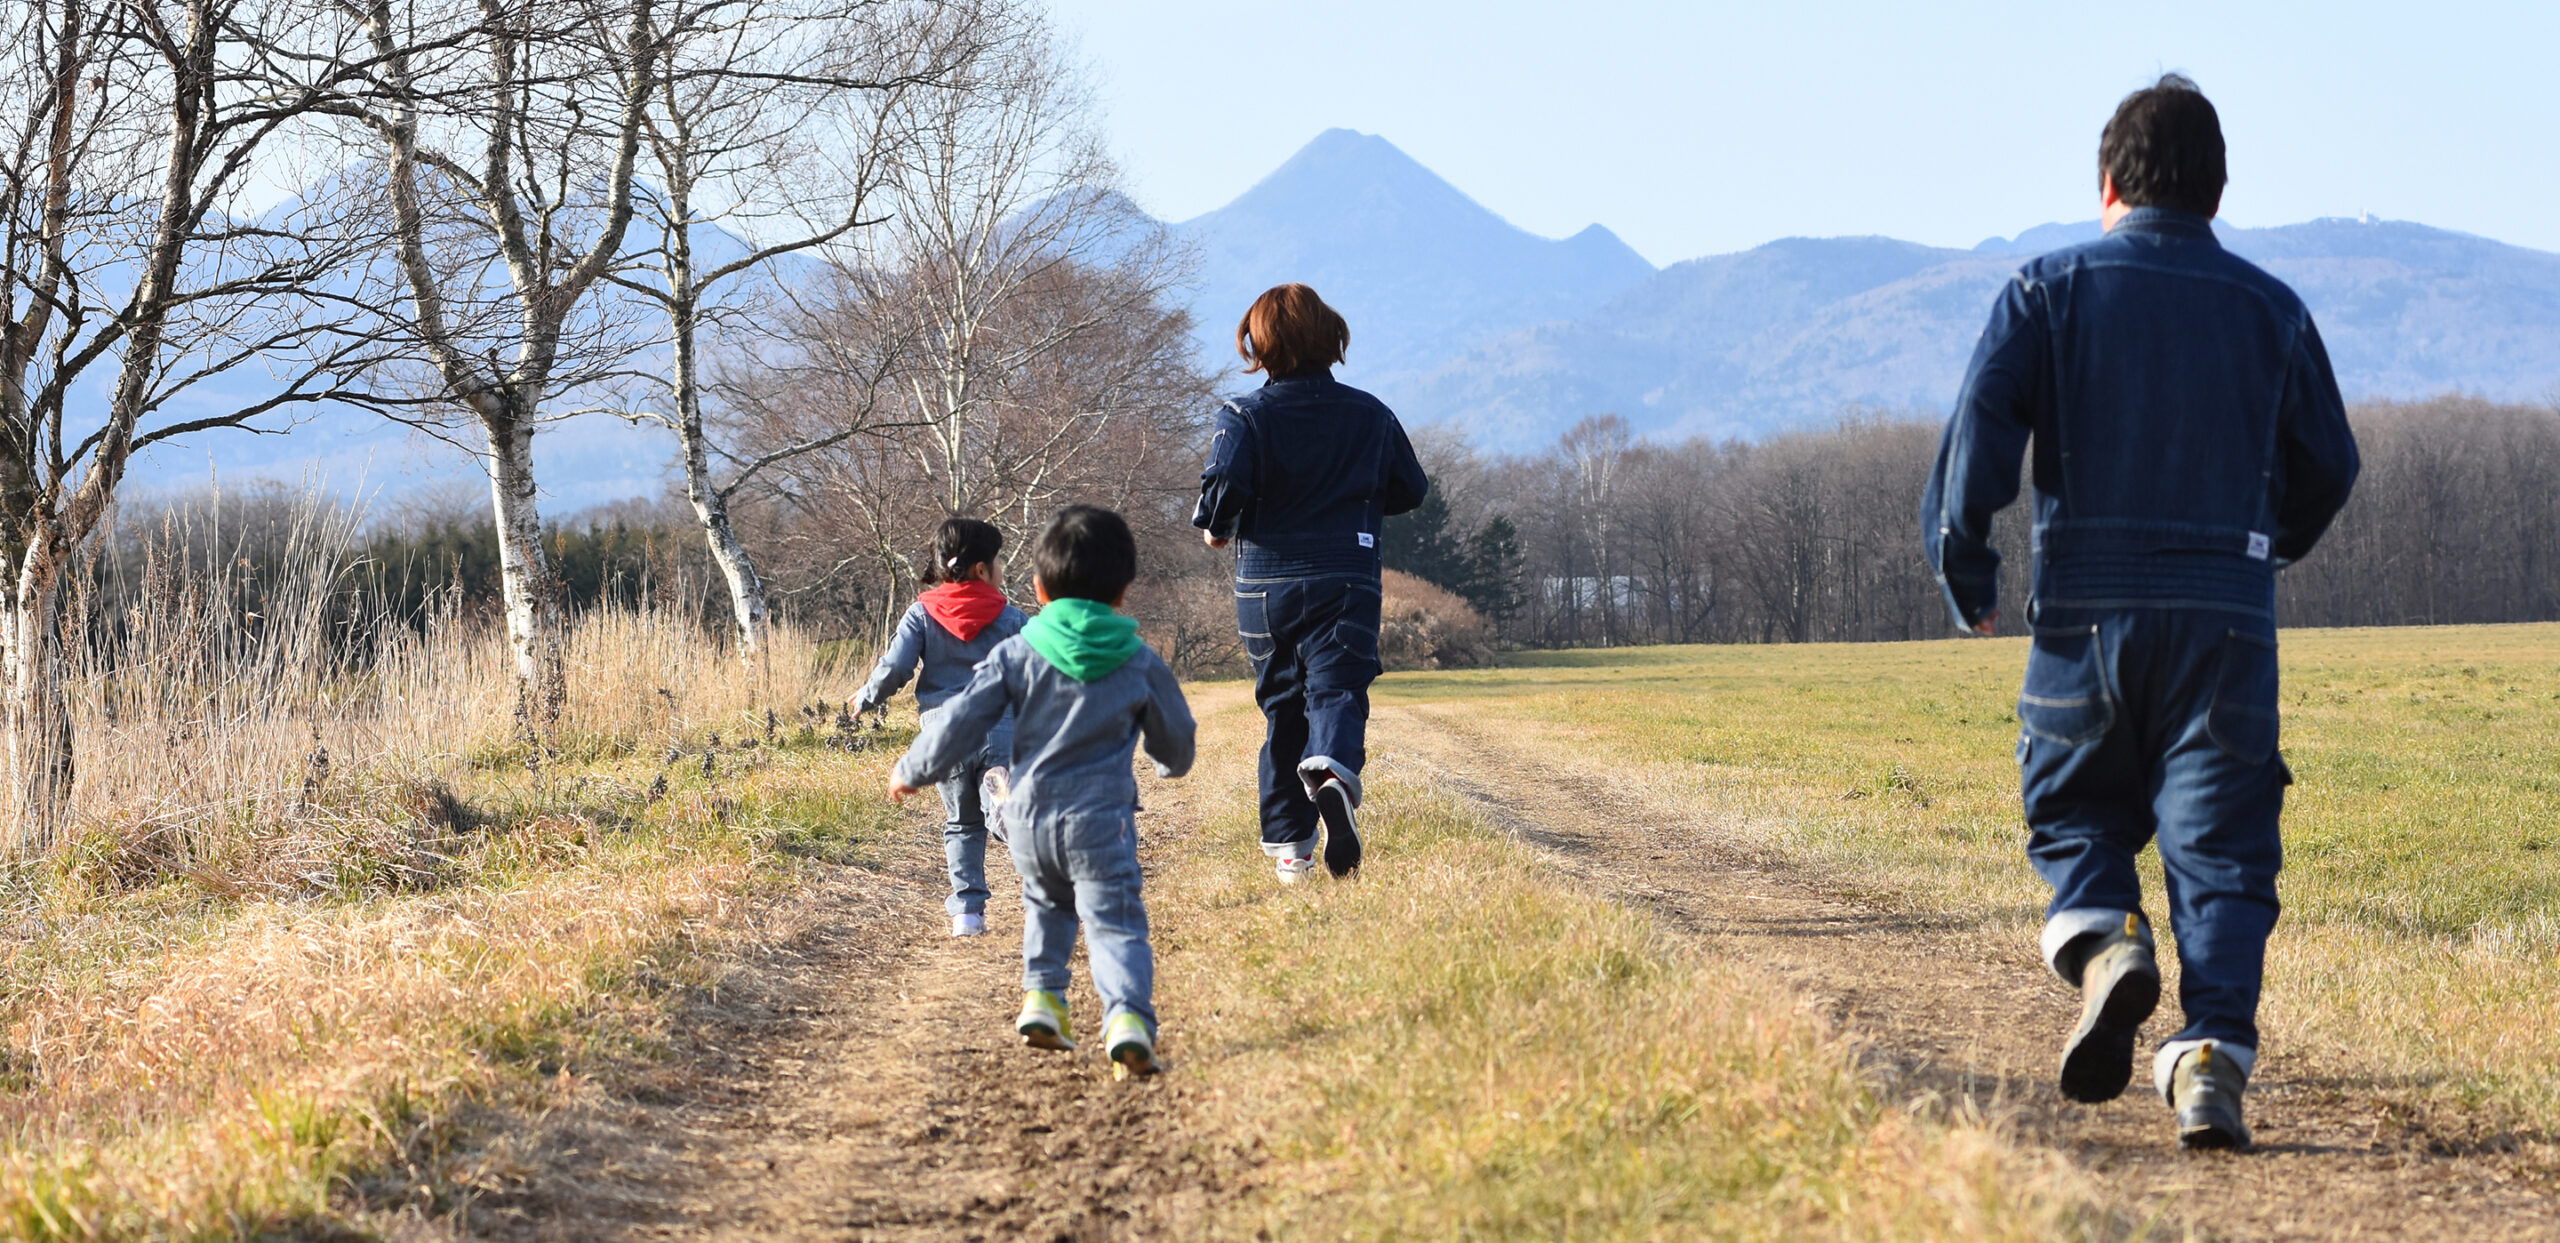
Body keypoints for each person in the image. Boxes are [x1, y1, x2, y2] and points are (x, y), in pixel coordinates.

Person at [1921, 75, 2360, 1150]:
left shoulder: (2045, 290)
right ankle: (2208, 1058)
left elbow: (1981, 423)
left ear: (2107, 184)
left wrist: (1965, 563)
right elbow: (2330, 466)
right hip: (2224, 622)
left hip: (2084, 611)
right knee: (2220, 855)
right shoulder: (2273, 309)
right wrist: (2266, 549)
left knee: (2074, 813)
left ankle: (2109, 944)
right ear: (2216, 193)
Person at [889, 505, 1196, 1078]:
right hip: (1101, 821)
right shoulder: (1139, 660)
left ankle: (1043, 999)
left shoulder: (1017, 650)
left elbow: (960, 720)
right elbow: (1176, 741)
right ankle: (1127, 1018)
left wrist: (913, 768)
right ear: (1124, 592)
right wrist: (1166, 763)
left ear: (1039, 588)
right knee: (1115, 922)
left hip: (1029, 819)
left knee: (1048, 904)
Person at [1193, 283, 1429, 884]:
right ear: (1333, 339)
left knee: (1281, 707)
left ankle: (1291, 853)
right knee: (1338, 691)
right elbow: (1411, 489)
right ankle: (1332, 777)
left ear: (1258, 344)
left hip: (1266, 582)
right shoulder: (1371, 413)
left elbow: (1223, 488)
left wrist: (1218, 530)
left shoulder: (1243, 415)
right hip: (1348, 574)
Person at [854, 517, 1027, 939]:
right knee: (1004, 801)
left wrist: (866, 697)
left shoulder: (921, 614)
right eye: (998, 560)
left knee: (961, 823)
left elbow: (897, 667)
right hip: (998, 728)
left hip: (943, 735)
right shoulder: (1011, 617)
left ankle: (967, 915)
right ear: (983, 570)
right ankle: (1012, 823)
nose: (1002, 567)